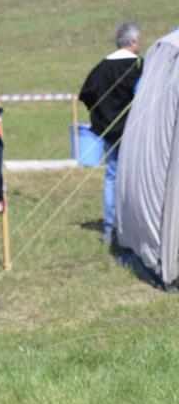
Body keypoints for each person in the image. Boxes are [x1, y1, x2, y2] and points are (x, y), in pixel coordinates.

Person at [79, 21, 143, 245]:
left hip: (108, 131)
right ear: (133, 42)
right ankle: (133, 225)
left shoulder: (101, 67)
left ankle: (110, 225)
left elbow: (86, 94)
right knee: (135, 177)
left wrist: (101, 117)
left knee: (112, 176)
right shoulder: (138, 66)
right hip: (133, 131)